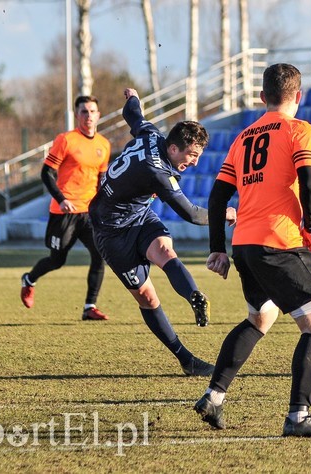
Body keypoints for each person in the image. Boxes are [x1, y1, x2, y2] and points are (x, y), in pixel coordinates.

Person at [195, 63, 311, 437]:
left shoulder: (243, 136)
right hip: (279, 241)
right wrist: (310, 226)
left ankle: (213, 395)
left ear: (262, 97)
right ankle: (298, 417)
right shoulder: (299, 129)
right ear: (298, 96)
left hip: (244, 243)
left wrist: (218, 248)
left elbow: (217, 196)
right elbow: (308, 179)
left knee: (260, 319)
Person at [89, 87, 234, 376]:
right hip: (111, 231)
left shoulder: (151, 134)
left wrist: (133, 98)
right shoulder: (158, 171)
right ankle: (186, 360)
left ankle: (194, 295)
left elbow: (133, 115)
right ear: (173, 148)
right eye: (191, 154)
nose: (194, 162)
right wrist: (226, 213)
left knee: (165, 251)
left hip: (139, 216)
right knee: (148, 298)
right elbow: (191, 214)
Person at [20, 95, 111, 321]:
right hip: (65, 212)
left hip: (89, 212)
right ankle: (29, 280)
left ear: (98, 115)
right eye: (83, 111)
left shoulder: (104, 144)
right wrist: (61, 199)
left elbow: (102, 178)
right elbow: (46, 173)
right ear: (76, 115)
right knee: (57, 260)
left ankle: (90, 307)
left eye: (92, 111)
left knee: (100, 255)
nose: (88, 116)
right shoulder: (66, 140)